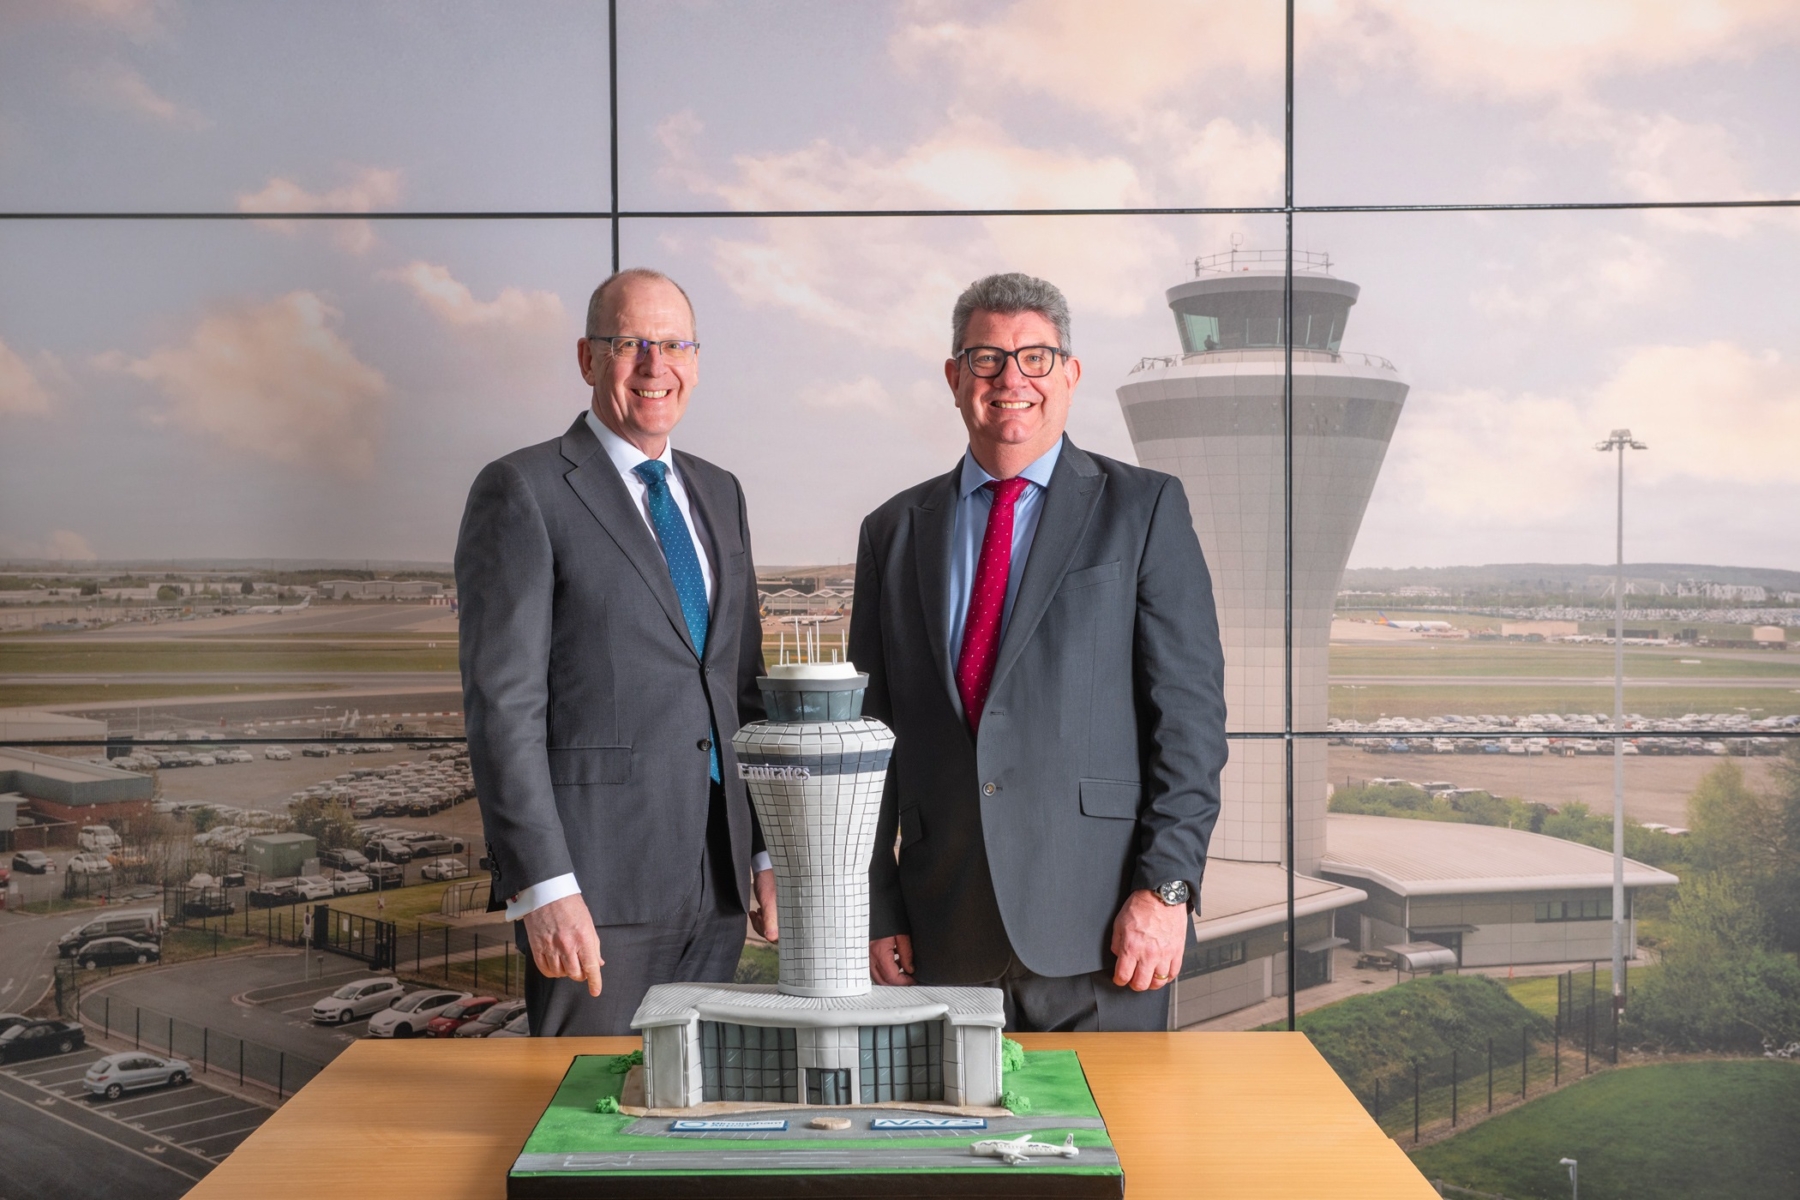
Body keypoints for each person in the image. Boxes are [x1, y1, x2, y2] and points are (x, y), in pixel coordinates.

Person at [850, 272, 1228, 1032]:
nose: (1011, 379)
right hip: (940, 934)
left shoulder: (1144, 510)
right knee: (951, 1149)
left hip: (1104, 937)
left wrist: (1168, 891)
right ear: (956, 377)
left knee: (1111, 1146)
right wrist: (875, 904)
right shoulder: (892, 531)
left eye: (1036, 358)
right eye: (987, 358)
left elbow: (1188, 723)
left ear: (1071, 375)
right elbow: (870, 738)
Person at [455, 268, 777, 1036]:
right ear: (587, 357)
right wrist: (543, 887)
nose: (653, 365)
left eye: (673, 345)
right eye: (631, 343)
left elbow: (743, 692)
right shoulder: (524, 489)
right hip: (596, 893)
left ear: (695, 360)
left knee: (691, 1119)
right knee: (590, 1128)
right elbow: (505, 708)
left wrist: (765, 853)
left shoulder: (720, 491)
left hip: (718, 884)